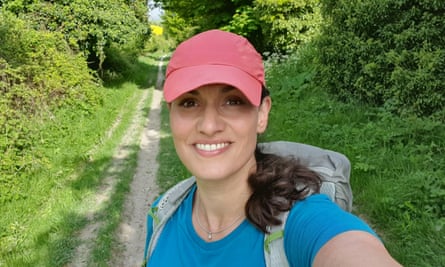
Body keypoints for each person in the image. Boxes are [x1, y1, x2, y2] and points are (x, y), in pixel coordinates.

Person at [144, 29, 401, 266]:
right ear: (171, 115)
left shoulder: (303, 222)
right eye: (189, 103)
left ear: (262, 113)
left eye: (232, 101)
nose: (209, 126)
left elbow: (350, 249)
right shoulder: (162, 215)